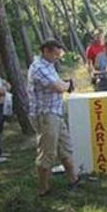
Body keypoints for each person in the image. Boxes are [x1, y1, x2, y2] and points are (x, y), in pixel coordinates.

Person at [27, 39, 79, 196]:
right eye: (55, 54)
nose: (58, 57)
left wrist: (64, 84)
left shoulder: (48, 66)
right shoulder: (38, 67)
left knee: (65, 147)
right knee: (47, 152)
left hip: (55, 113)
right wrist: (67, 85)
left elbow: (59, 84)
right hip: (46, 115)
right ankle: (44, 188)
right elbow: (57, 87)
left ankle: (74, 180)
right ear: (46, 51)